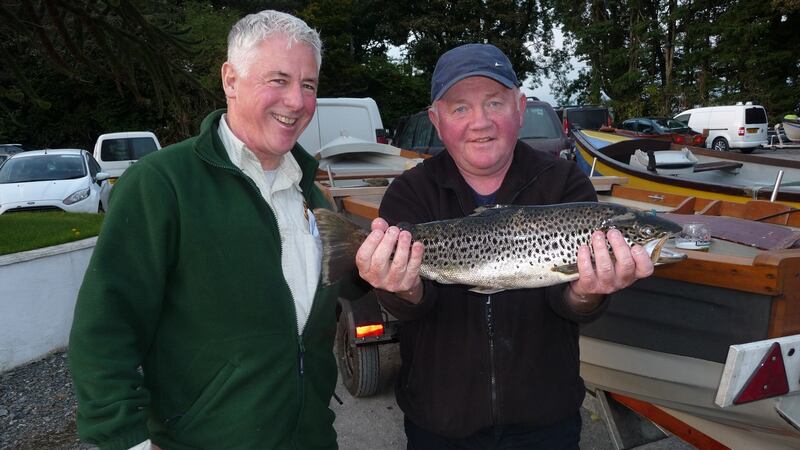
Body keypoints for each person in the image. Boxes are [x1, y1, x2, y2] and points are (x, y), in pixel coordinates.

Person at [355, 43, 656, 449]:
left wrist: (587, 292)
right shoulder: (410, 192)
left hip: (547, 419)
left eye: (494, 103)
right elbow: (411, 308)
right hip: (439, 422)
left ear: (520, 108)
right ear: (436, 120)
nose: (480, 122)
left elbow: (570, 307)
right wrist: (400, 287)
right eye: (460, 108)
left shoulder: (566, 184)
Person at [69, 10, 341, 450]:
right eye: (279, 80)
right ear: (230, 80)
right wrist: (128, 440)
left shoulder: (312, 193)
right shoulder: (161, 184)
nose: (296, 101)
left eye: (308, 85)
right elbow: (105, 328)